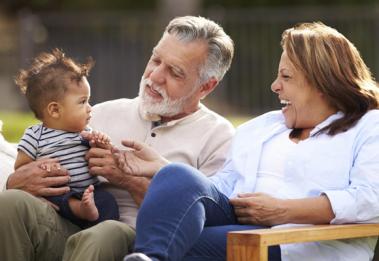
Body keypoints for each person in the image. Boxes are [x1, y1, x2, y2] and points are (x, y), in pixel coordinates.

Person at [119, 22, 379, 261]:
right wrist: (166, 172)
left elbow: (371, 198)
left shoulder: (368, 126)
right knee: (176, 175)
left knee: (179, 243)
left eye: (286, 77)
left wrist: (283, 211)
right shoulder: (263, 127)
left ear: (324, 83)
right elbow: (225, 185)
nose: (275, 86)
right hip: (241, 221)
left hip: (303, 245)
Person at [0, 15, 235, 261]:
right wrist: (20, 180)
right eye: (155, 59)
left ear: (206, 86)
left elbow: (202, 223)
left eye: (175, 72)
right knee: (10, 203)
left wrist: (128, 179)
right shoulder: (97, 114)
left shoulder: (219, 138)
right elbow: (37, 154)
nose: (154, 76)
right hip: (71, 228)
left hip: (138, 244)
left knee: (106, 234)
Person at [14, 49, 119, 228]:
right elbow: (21, 169)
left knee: (107, 201)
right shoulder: (35, 136)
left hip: (90, 191)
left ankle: (98, 230)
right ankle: (80, 209)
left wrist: (101, 142)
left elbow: (99, 152)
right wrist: (41, 167)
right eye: (82, 101)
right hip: (60, 195)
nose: (89, 108)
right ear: (55, 110)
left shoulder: (84, 131)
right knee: (55, 197)